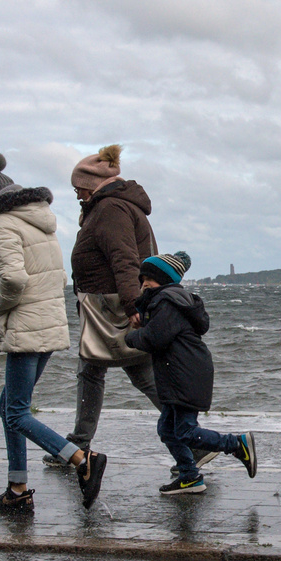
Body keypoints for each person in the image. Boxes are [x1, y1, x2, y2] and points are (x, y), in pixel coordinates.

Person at [0, 151, 106, 512]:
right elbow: (58, 276)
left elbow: (14, 279)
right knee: (10, 406)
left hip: (26, 326)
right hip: (48, 323)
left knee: (15, 411)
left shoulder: (2, 224)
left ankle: (80, 460)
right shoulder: (41, 221)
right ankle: (17, 491)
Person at [58, 144, 163, 460]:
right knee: (92, 371)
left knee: (143, 375)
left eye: (78, 187)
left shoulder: (110, 210)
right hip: (105, 309)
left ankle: (195, 440)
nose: (76, 194)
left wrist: (133, 305)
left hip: (115, 310)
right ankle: (79, 443)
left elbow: (124, 258)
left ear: (90, 185)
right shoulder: (110, 206)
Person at [122, 251, 256, 496]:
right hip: (181, 373)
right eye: (142, 280)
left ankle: (237, 444)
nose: (143, 285)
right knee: (167, 429)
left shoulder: (166, 301)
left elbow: (155, 338)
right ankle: (190, 477)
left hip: (185, 375)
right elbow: (162, 330)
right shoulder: (167, 301)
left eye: (148, 280)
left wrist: (131, 337)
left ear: (163, 280)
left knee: (184, 430)